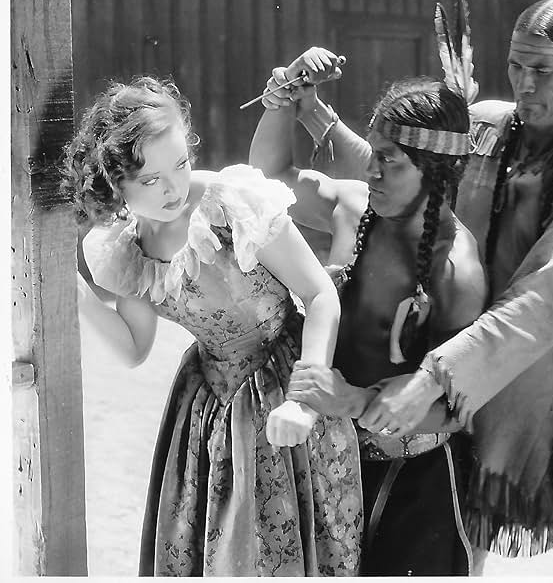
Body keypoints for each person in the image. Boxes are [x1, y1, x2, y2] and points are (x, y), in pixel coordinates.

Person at [273, 0, 553, 576]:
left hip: (549, 390)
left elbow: (538, 307)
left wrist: (427, 380)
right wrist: (312, 114)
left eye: (543, 71)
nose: (525, 85)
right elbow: (408, 171)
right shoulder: (489, 124)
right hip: (447, 379)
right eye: (516, 66)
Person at [62, 76, 362, 576]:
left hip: (287, 384)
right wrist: (67, 288)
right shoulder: (123, 249)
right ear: (115, 182)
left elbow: (318, 294)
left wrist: (304, 398)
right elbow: (135, 347)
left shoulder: (232, 204)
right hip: (208, 405)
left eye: (179, 164)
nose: (173, 187)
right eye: (150, 179)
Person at [248, 60, 487, 575]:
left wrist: (354, 400)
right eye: (372, 155)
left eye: (390, 160)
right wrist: (283, 97)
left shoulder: (457, 272)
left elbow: (455, 407)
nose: (372, 171)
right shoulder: (353, 207)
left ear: (437, 169)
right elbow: (269, 183)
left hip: (416, 484)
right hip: (323, 466)